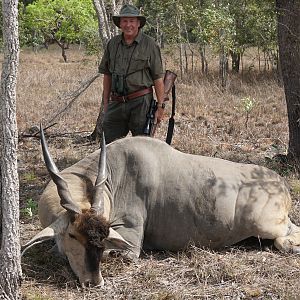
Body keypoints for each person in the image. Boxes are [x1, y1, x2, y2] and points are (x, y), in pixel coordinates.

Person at [98, 4, 165, 144]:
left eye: (132, 21)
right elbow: (107, 75)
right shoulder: (113, 44)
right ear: (120, 23)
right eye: (124, 21)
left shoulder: (150, 44)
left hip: (141, 104)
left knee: (142, 147)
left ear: (138, 23)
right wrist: (106, 103)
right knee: (108, 145)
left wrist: (160, 106)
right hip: (116, 102)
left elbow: (158, 77)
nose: (128, 25)